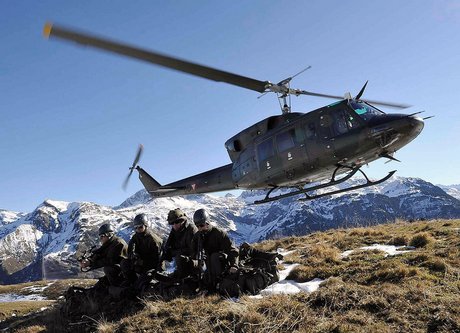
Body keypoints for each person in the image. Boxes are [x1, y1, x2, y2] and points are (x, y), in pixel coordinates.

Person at [191, 208, 239, 291]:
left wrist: (234, 265)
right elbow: (193, 251)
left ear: (207, 223)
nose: (199, 228)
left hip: (222, 264)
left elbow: (232, 250)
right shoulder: (197, 237)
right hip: (208, 265)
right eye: (197, 226)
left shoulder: (219, 233)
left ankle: (219, 283)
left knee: (214, 256)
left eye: (201, 225)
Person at [121, 213, 163, 284]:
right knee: (124, 263)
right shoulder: (135, 237)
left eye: (140, 227)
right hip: (141, 263)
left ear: (146, 226)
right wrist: (133, 256)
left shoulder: (153, 240)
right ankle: (131, 282)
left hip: (152, 267)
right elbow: (130, 252)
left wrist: (142, 262)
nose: (138, 229)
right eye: (136, 227)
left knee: (142, 282)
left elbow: (158, 260)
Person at [162, 208, 198, 279]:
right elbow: (168, 246)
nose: (174, 225)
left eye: (177, 222)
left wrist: (175, 252)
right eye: (172, 223)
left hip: (195, 261)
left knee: (180, 258)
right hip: (181, 261)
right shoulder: (175, 231)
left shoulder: (191, 229)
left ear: (182, 221)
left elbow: (193, 251)